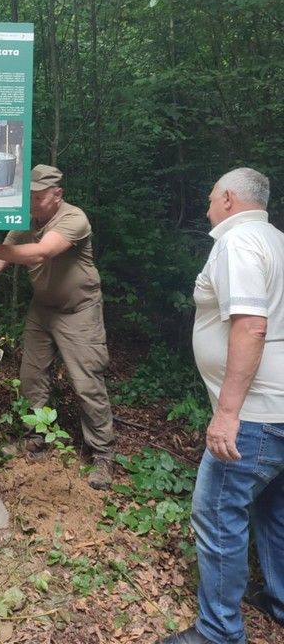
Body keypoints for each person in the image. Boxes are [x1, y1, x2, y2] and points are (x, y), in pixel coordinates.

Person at [158, 168, 284, 644]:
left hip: (256, 414)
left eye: (211, 200)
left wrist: (228, 412)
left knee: (217, 514)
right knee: (273, 509)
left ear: (229, 199)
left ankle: (218, 632)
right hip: (279, 408)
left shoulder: (237, 244)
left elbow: (250, 325)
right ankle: (279, 599)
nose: (208, 209)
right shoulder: (276, 240)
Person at [0, 164, 115, 490]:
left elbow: (41, 253)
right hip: (42, 311)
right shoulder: (25, 224)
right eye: (27, 197)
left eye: (37, 198)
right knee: (32, 378)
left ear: (57, 195)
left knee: (87, 383)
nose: (30, 204)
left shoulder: (74, 219)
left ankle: (103, 453)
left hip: (79, 312)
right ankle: (36, 440)